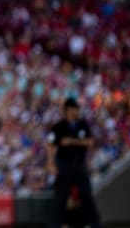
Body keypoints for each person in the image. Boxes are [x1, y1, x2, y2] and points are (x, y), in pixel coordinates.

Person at [46, 97, 102, 228]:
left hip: (79, 164)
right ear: (68, 109)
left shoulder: (83, 125)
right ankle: (55, 225)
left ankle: (95, 224)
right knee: (61, 198)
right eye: (75, 108)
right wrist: (50, 164)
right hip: (64, 164)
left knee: (86, 195)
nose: (77, 111)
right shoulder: (59, 127)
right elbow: (50, 145)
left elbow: (90, 142)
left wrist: (71, 141)